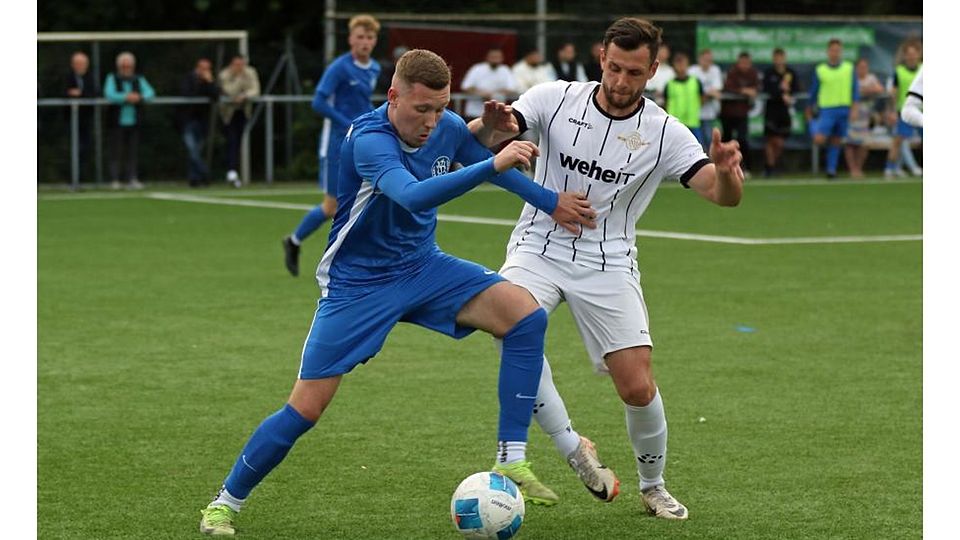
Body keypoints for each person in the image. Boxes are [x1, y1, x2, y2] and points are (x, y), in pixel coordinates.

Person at [197, 49, 600, 536]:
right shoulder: (368, 139)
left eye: (440, 108)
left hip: (423, 266)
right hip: (359, 284)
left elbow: (494, 167)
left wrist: (551, 200)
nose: (432, 122)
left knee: (524, 314)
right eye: (421, 109)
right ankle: (225, 502)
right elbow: (413, 193)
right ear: (393, 97)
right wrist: (493, 163)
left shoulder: (449, 125)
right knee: (305, 409)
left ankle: (510, 457)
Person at [468, 17, 744, 519]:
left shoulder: (664, 132)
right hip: (539, 244)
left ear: (653, 70)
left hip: (609, 260)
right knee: (509, 325)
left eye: (634, 73)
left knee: (636, 386)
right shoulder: (553, 98)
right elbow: (481, 140)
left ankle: (653, 485)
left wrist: (726, 174)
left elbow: (721, 196)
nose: (620, 82)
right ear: (601, 57)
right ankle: (572, 444)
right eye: (614, 68)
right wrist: (492, 126)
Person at [283, 14, 382, 277]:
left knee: (372, 196)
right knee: (333, 207)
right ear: (350, 39)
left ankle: (363, 258)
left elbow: (362, 103)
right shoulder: (339, 67)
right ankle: (294, 241)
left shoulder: (373, 68)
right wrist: (348, 123)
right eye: (360, 37)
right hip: (336, 144)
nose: (364, 42)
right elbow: (319, 102)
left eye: (369, 38)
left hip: (361, 142)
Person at [806, 38, 858, 180]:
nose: (835, 53)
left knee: (836, 140)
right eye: (832, 50)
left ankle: (831, 170)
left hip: (844, 108)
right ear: (828, 52)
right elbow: (814, 91)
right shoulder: (821, 69)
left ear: (841, 52)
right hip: (827, 109)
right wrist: (809, 108)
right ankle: (812, 126)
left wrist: (854, 108)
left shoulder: (849, 68)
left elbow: (854, 90)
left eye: (838, 50)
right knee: (819, 139)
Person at [103, 51, 155, 190]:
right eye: (124, 66)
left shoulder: (139, 78)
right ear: (119, 66)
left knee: (132, 151)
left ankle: (132, 178)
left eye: (129, 66)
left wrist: (140, 97)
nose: (127, 68)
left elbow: (150, 92)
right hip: (116, 121)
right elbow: (109, 94)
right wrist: (126, 97)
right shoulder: (112, 78)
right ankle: (115, 179)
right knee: (116, 151)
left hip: (134, 121)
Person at [218, 55, 261, 187]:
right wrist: (238, 79)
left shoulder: (251, 72)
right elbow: (230, 91)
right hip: (228, 113)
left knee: (238, 141)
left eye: (242, 64)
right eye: (237, 65)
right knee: (231, 141)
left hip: (244, 111)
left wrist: (244, 95)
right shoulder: (224, 74)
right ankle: (231, 171)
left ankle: (233, 172)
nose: (240, 67)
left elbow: (255, 90)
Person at [177, 58, 219, 187]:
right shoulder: (188, 79)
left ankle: (194, 179)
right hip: (188, 120)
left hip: (202, 121)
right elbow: (186, 94)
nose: (205, 71)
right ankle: (205, 173)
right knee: (192, 150)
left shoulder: (209, 81)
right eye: (203, 68)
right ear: (197, 67)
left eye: (207, 68)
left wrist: (209, 82)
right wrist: (201, 84)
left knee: (196, 151)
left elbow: (216, 96)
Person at [884, 41, 922, 178]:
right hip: (906, 112)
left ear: (919, 54)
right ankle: (889, 168)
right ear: (905, 56)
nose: (911, 56)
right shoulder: (899, 72)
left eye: (914, 53)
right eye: (909, 54)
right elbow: (894, 93)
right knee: (898, 140)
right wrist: (892, 111)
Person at [761, 48, 800, 177]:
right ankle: (769, 167)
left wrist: (789, 95)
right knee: (770, 140)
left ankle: (771, 165)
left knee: (780, 142)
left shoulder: (790, 73)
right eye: (776, 58)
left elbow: (796, 89)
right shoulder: (769, 73)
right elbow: (767, 89)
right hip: (771, 110)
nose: (779, 61)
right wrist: (779, 92)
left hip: (784, 111)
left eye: (781, 58)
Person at [720, 51, 759, 177]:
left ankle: (745, 167)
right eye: (742, 63)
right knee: (726, 140)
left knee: (742, 140)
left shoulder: (753, 73)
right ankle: (723, 166)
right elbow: (728, 88)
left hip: (742, 113)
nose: (744, 65)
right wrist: (744, 91)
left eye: (747, 63)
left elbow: (757, 88)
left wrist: (751, 91)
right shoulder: (732, 73)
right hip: (728, 113)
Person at [845, 57, 885, 178]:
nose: (862, 70)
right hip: (852, 112)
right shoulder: (851, 78)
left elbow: (880, 89)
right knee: (850, 143)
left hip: (866, 115)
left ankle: (859, 167)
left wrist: (866, 90)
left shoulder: (871, 78)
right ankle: (852, 169)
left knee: (864, 143)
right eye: (860, 67)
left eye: (865, 67)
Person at [64, 51, 99, 181]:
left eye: (82, 63)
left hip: (86, 119)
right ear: (72, 65)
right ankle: (71, 179)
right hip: (70, 119)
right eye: (77, 63)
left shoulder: (90, 78)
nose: (80, 66)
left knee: (85, 149)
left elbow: (95, 93)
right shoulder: (67, 77)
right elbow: (64, 92)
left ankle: (82, 179)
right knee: (73, 149)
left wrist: (80, 94)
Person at [460, 48, 518, 121]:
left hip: (497, 114)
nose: (495, 59)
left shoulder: (505, 70)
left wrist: (494, 95)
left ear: (502, 58)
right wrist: (481, 93)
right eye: (493, 57)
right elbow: (466, 87)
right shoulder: (477, 68)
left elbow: (512, 88)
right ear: (487, 57)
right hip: (475, 113)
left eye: (497, 57)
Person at [663, 51, 705, 145]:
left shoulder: (696, 81)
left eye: (683, 63)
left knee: (698, 151)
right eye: (678, 63)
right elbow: (666, 103)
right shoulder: (669, 85)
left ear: (688, 64)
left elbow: (702, 98)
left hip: (693, 123)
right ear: (674, 66)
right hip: (675, 125)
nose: (681, 66)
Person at [689, 48, 723, 151]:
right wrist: (708, 93)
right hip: (694, 113)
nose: (707, 62)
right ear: (699, 59)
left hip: (710, 113)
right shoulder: (692, 71)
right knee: (697, 142)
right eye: (705, 59)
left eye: (709, 60)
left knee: (710, 140)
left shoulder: (715, 70)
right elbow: (693, 91)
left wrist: (705, 94)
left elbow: (717, 89)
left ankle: (711, 163)